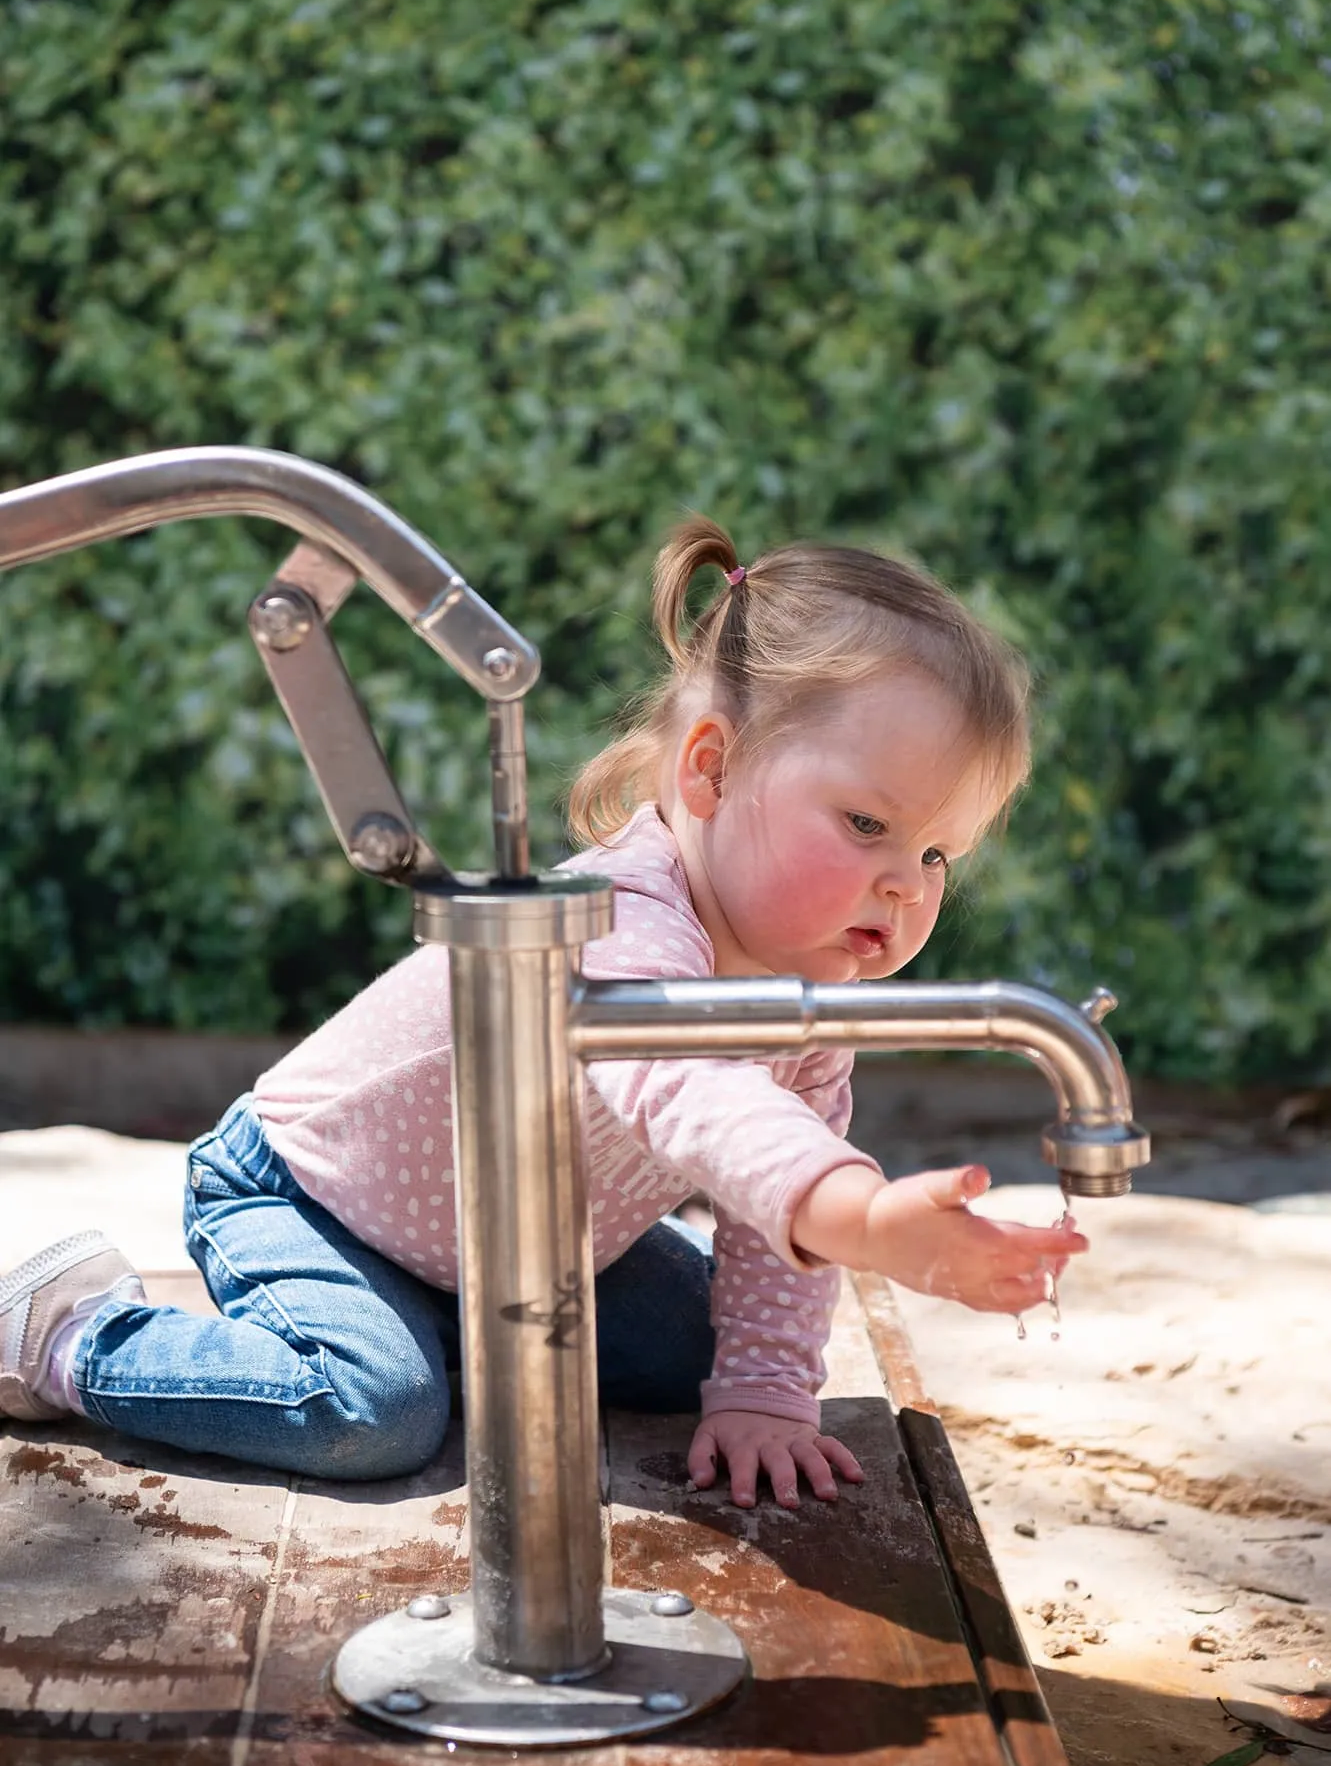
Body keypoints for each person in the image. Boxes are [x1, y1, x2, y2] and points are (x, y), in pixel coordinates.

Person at [0, 517, 1087, 1508]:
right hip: (308, 1194)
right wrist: (855, 1213)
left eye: (937, 851)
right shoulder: (620, 917)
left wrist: (760, 1393)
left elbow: (766, 1218)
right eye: (866, 822)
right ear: (709, 768)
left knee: (709, 1347)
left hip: (525, 1242)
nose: (907, 882)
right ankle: (70, 1333)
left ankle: (452, 1331)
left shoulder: (808, 996)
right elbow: (687, 1086)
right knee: (375, 1410)